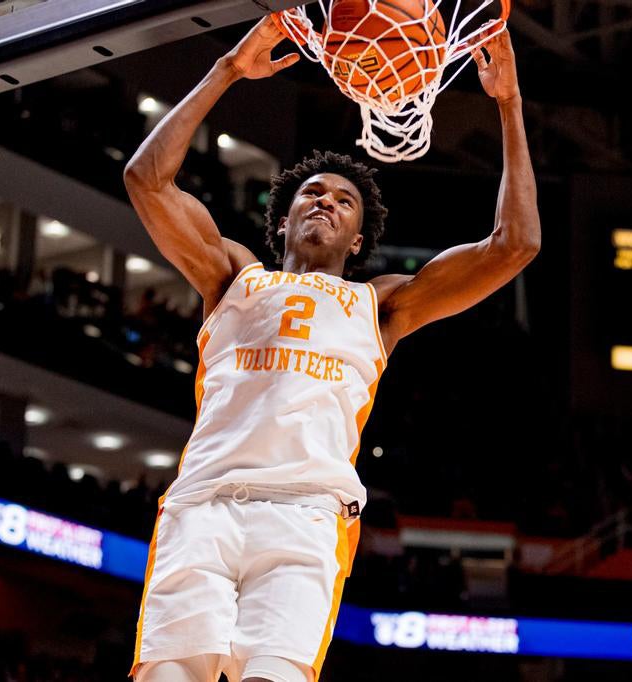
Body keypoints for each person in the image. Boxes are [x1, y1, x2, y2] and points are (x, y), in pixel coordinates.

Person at [122, 16, 539, 682]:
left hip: (306, 515)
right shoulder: (233, 276)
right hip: (203, 504)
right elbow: (146, 181)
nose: (324, 200)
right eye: (311, 193)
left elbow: (514, 244)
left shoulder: (382, 305)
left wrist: (510, 106)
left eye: (343, 200)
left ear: (357, 238)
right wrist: (229, 67)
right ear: (282, 217)